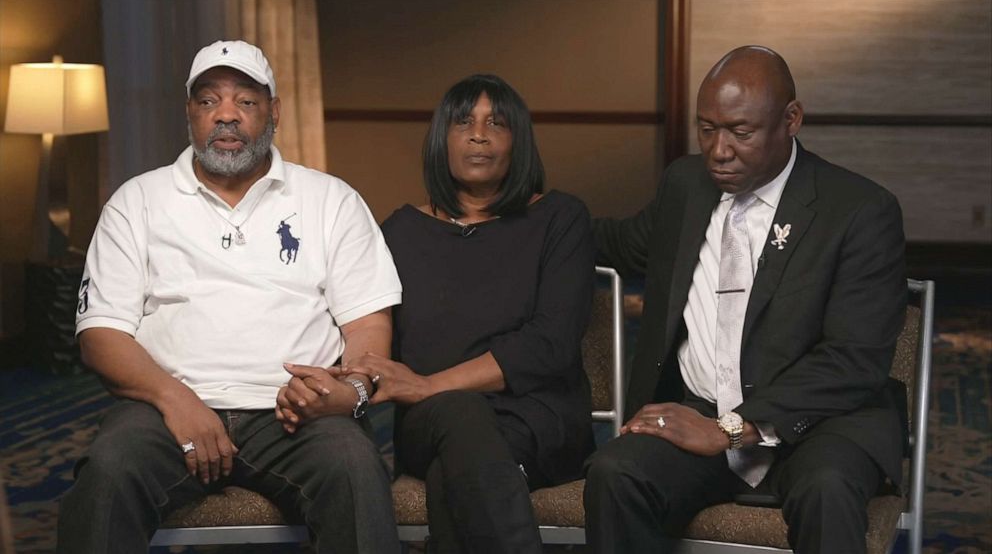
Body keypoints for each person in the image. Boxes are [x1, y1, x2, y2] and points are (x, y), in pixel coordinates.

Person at [57, 40, 402, 554]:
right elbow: (101, 335)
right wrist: (176, 400)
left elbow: (366, 325)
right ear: (189, 115)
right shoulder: (137, 201)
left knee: (354, 469)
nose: (226, 116)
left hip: (293, 414)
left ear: (274, 112)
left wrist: (348, 390)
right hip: (163, 410)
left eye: (245, 101)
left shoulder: (331, 200)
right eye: (208, 101)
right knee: (108, 471)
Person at [584, 46, 907, 554]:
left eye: (740, 131)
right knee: (616, 472)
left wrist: (735, 428)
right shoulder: (686, 185)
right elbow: (622, 243)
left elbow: (853, 359)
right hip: (698, 413)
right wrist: (523, 210)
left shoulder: (860, 212)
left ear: (791, 120)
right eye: (707, 128)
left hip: (819, 425)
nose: (719, 150)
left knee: (828, 490)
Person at [325, 74, 596, 553]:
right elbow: (367, 330)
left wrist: (430, 385)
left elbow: (549, 345)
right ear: (441, 140)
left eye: (497, 122)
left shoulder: (560, 218)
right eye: (463, 122)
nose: (478, 133)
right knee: (461, 421)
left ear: (519, 141)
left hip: (536, 420)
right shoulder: (400, 233)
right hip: (431, 420)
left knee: (456, 473)